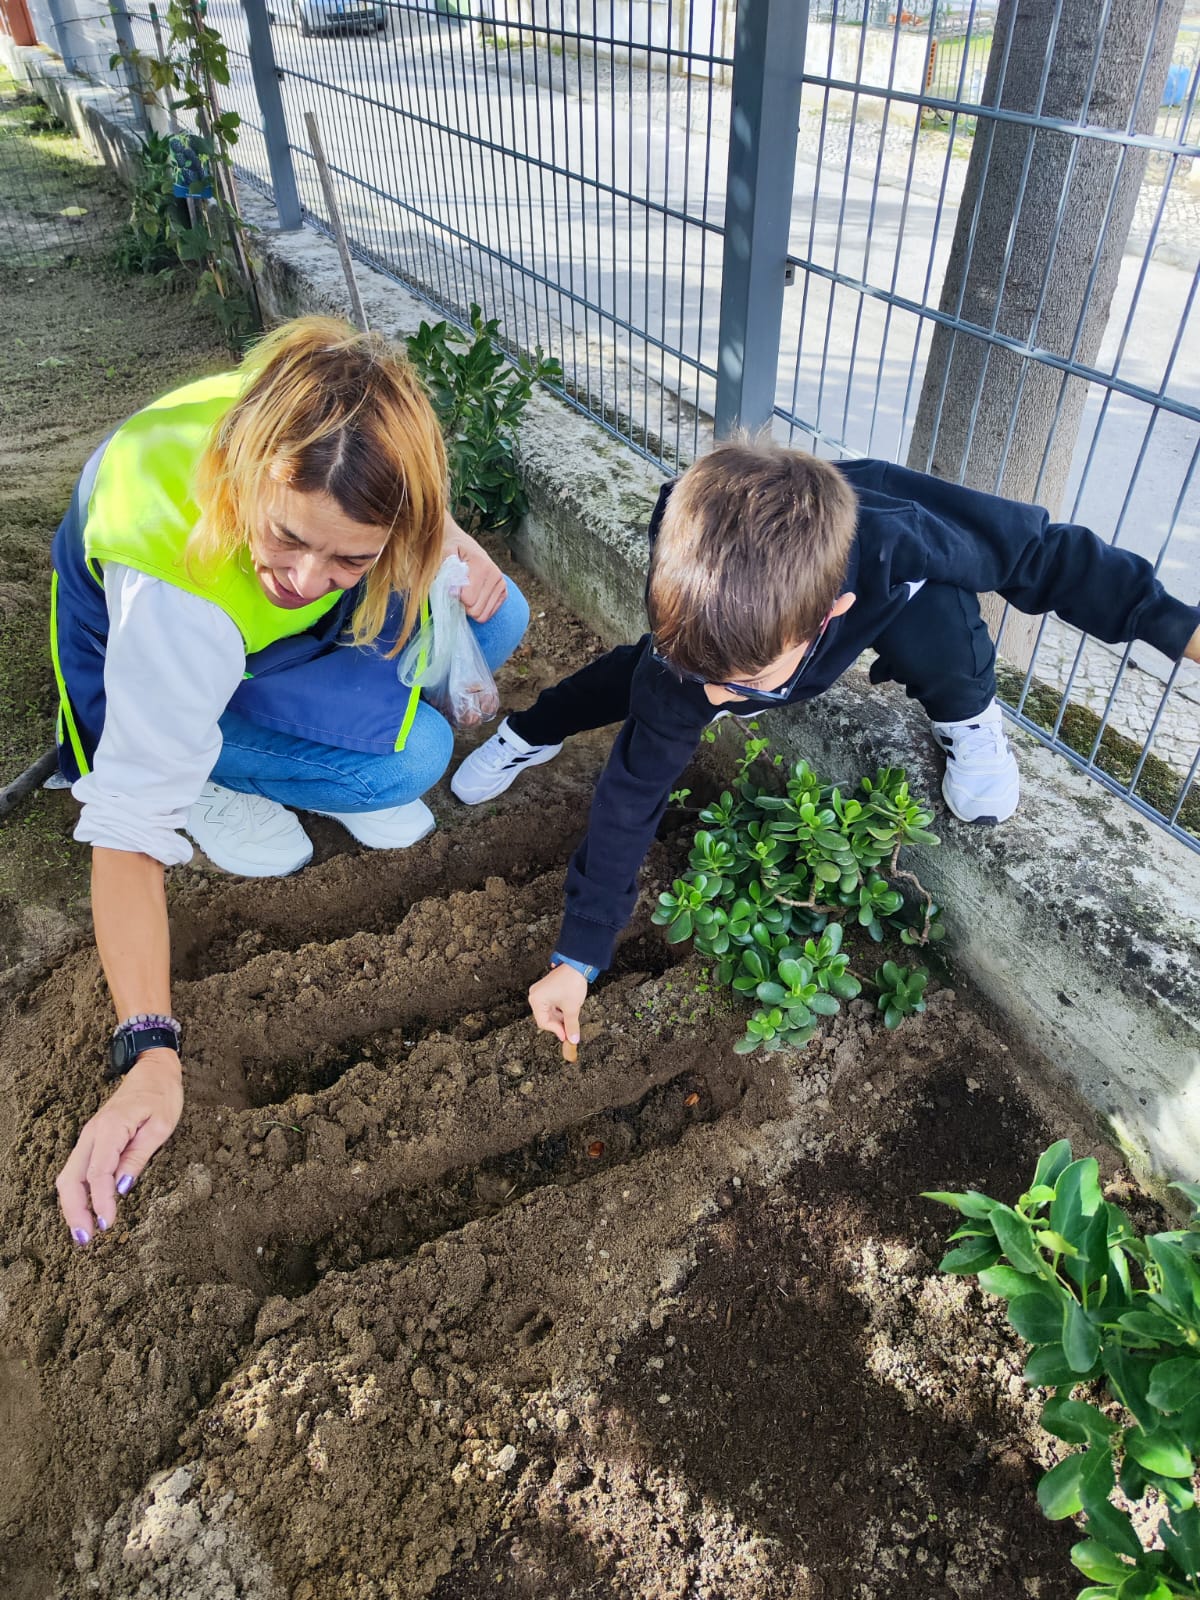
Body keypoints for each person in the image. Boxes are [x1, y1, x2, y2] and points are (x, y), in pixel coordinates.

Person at [451, 439, 1200, 1055]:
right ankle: (533, 729)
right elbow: (629, 796)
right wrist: (577, 955)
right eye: (706, 673)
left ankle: (968, 722)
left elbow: (1048, 557)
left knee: (942, 628)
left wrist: (1175, 627)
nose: (715, 699)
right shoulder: (697, 589)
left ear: (824, 619)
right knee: (651, 684)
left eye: (737, 682)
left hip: (895, 597)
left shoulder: (899, 534)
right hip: (725, 636)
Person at [53, 315, 529, 1245]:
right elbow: (122, 835)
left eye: (350, 556)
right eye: (291, 540)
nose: (308, 577)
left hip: (253, 645)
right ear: (247, 468)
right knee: (419, 760)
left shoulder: (314, 394)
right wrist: (147, 1051)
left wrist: (452, 547)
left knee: (497, 618)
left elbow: (388, 522)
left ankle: (289, 728)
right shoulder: (179, 602)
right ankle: (206, 771)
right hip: (152, 676)